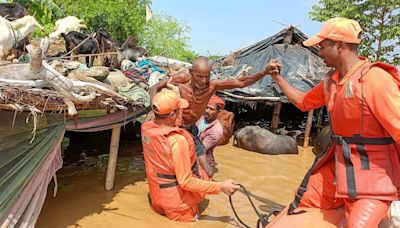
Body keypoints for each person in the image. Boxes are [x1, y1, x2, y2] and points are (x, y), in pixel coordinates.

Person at [265, 17, 400, 227]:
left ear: (340, 46)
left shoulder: (375, 79)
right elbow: (303, 102)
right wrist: (278, 79)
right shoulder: (332, 81)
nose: (319, 53)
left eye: (323, 46)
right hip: (339, 164)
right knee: (304, 198)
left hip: (374, 174)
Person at [149, 56, 273, 177]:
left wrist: (264, 72)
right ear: (191, 72)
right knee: (172, 165)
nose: (203, 81)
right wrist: (156, 112)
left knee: (206, 169)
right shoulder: (182, 79)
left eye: (207, 76)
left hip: (191, 129)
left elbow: (240, 82)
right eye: (199, 76)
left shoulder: (212, 86)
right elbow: (155, 87)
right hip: (174, 127)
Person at [141, 89, 240, 222]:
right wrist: (221, 186)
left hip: (156, 197)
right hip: (178, 206)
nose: (181, 113)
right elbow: (186, 182)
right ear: (172, 114)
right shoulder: (177, 140)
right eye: (179, 110)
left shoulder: (146, 128)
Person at [197, 95, 224, 177]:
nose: (207, 111)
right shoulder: (201, 118)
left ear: (218, 112)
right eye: (207, 107)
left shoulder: (216, 131)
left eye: (212, 109)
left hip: (203, 162)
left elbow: (201, 150)